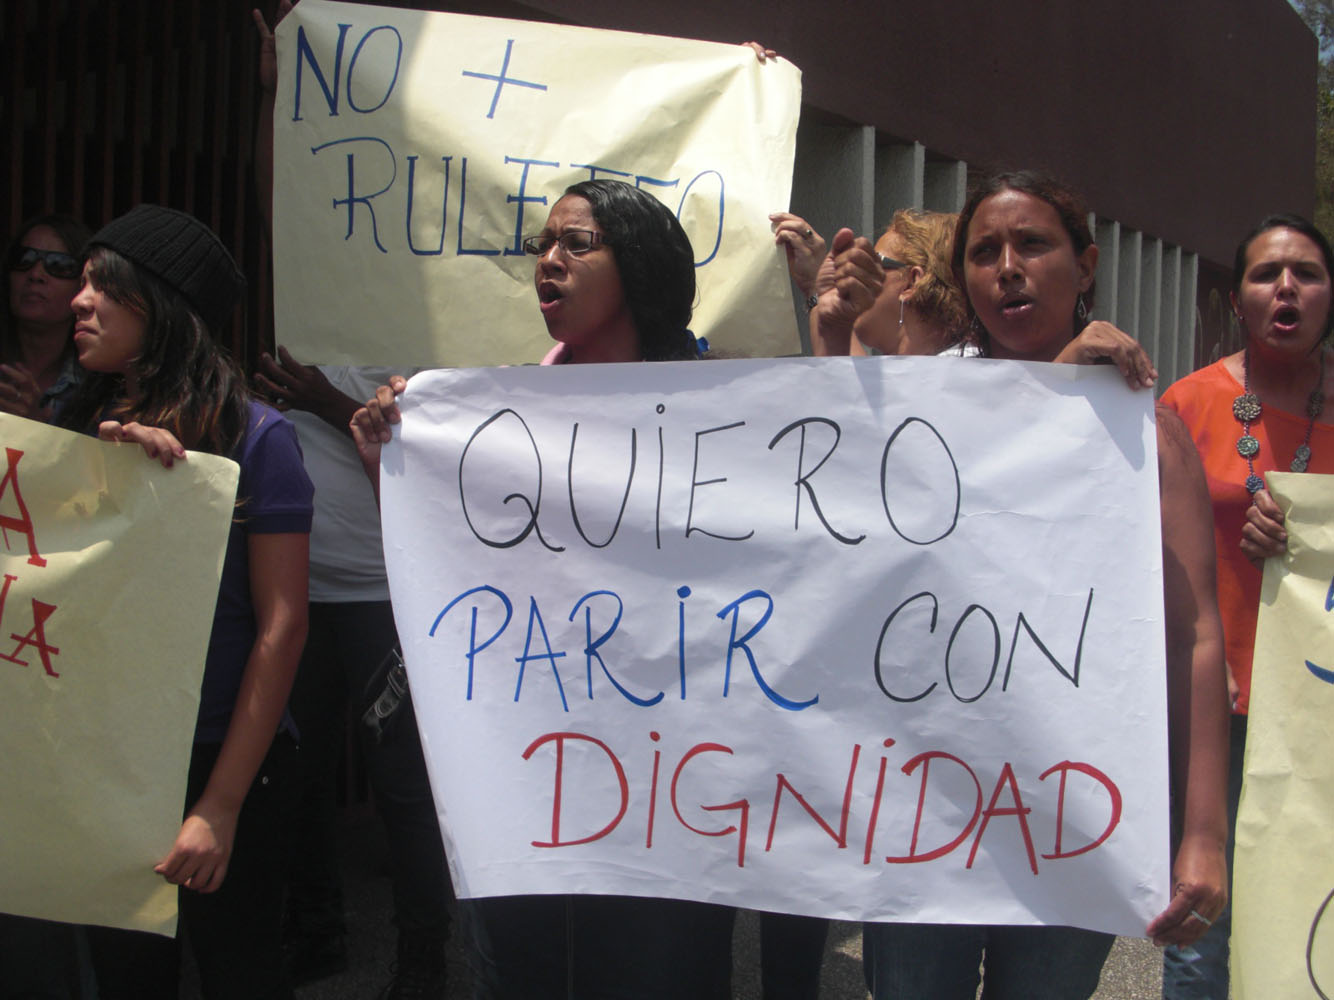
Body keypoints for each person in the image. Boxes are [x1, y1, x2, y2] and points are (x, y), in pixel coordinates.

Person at [351, 178, 734, 999]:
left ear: (637, 264)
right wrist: (396, 468)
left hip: (670, 783)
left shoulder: (721, 414)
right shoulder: (493, 420)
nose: (549, 262)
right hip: (528, 777)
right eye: (543, 247)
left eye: (577, 244)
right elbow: (462, 571)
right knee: (523, 970)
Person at [860, 170, 1230, 999]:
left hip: (1077, 812)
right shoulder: (918, 412)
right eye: (984, 252)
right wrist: (1055, 387)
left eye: (1033, 244)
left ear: (1087, 264)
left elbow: (1194, 632)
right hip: (930, 803)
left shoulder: (1147, 433)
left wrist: (1202, 833)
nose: (1007, 268)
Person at [251, 5, 455, 994]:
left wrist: (324, 402)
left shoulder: (448, 303)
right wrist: (281, 92)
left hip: (388, 592)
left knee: (406, 793)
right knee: (277, 782)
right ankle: (311, 932)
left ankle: (424, 966)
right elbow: (276, 187)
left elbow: (437, 452)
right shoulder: (316, 264)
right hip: (295, 577)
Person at [60, 204, 313, 1000]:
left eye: (105, 284)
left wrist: (221, 804)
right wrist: (100, 478)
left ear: (163, 308)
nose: (76, 299)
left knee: (241, 970)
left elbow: (283, 624)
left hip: (223, 753)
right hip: (108, 757)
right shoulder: (74, 426)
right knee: (127, 976)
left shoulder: (257, 439)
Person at [1158, 213, 1334, 999]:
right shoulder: (1187, 406)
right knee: (1205, 925)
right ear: (1238, 299)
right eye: (1266, 274)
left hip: (1319, 702)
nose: (1286, 287)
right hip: (1219, 707)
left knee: (1307, 909)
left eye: (1307, 273)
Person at [775, 209, 970, 358]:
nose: (863, 271)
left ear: (912, 282)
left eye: (875, 262)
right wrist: (814, 285)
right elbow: (853, 387)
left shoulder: (962, 377)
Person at [2, 213, 92, 421]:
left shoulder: (101, 384)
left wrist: (38, 428)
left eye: (59, 265)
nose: (35, 275)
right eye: (24, 259)